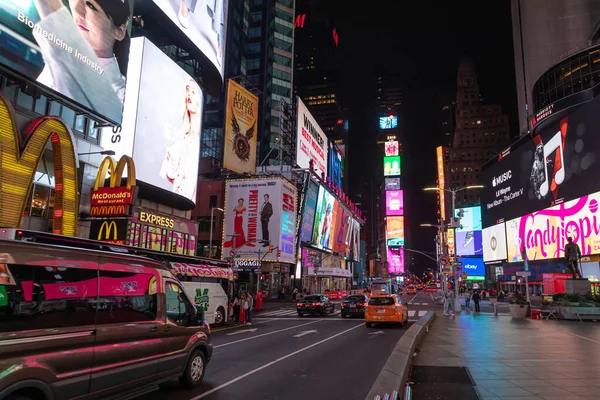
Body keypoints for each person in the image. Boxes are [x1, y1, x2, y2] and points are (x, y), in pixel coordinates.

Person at [32, 0, 130, 121]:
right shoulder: (56, 61)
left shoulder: (124, 98)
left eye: (91, 6)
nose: (78, 12)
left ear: (119, 32)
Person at [160, 79, 202, 200]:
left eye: (193, 92)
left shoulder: (196, 140)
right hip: (175, 197)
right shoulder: (180, 133)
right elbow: (169, 175)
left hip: (184, 200)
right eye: (187, 90)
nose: (189, 94)